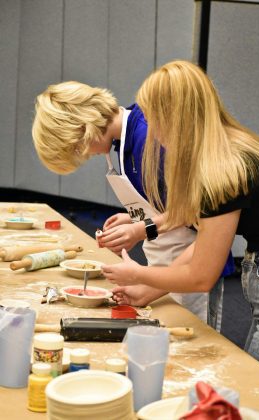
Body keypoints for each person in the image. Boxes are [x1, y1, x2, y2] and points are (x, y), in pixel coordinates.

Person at [102, 60, 259, 374]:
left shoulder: (221, 171)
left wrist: (139, 275)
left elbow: (201, 276)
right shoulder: (229, 144)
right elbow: (200, 238)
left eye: (154, 118)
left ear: (174, 118)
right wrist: (149, 286)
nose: (152, 130)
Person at [32, 80, 234, 331]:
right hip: (166, 261)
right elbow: (166, 201)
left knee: (192, 340)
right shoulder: (122, 142)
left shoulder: (149, 138)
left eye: (78, 149)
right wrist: (135, 219)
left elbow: (196, 208)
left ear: (83, 128)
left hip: (194, 260)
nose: (86, 155)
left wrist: (141, 230)